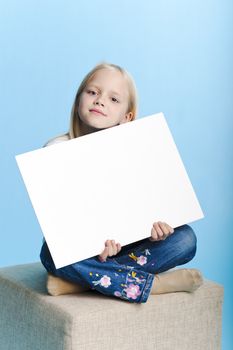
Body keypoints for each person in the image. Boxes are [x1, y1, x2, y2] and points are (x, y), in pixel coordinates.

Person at [40, 62, 203, 303]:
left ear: (127, 117)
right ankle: (151, 284)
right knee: (50, 254)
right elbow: (61, 224)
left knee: (186, 239)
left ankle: (82, 282)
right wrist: (94, 245)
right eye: (92, 92)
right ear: (78, 102)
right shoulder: (56, 150)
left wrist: (155, 232)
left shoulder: (138, 153)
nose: (100, 101)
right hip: (82, 250)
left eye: (113, 99)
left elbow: (143, 208)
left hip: (127, 246)